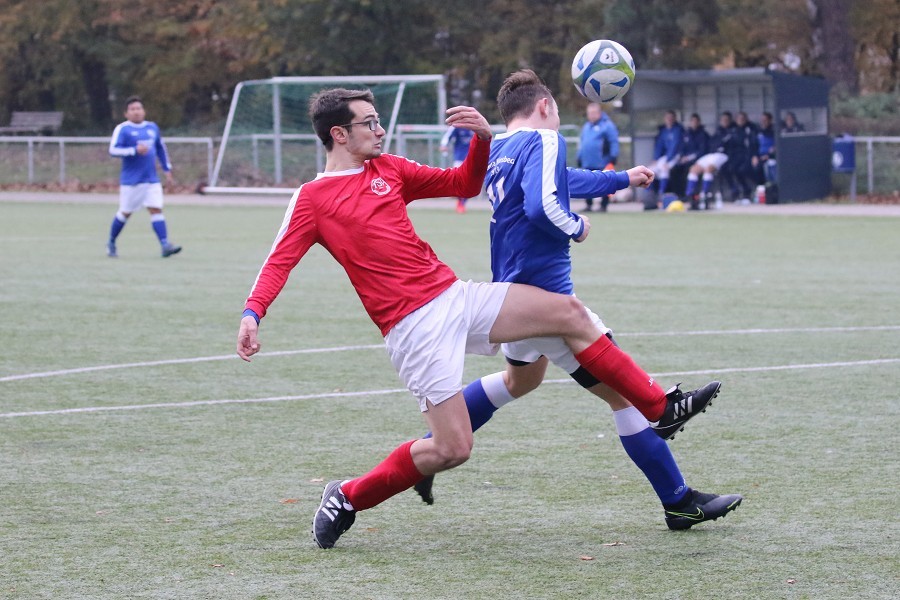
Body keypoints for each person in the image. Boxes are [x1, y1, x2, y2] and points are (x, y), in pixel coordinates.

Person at [237, 87, 715, 549]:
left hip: (455, 296)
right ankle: (347, 496)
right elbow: (279, 259)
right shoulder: (313, 199)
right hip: (413, 329)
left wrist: (482, 138)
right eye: (370, 123)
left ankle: (661, 408)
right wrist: (252, 314)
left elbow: (464, 183)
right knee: (451, 450)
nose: (379, 130)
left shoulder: (389, 169)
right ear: (339, 134)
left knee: (568, 313)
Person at [414, 70, 742, 531]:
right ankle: (678, 496)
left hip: (512, 294)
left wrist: (620, 179)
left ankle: (430, 452)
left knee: (518, 383)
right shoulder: (546, 140)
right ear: (546, 106)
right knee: (625, 398)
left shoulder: (500, 150)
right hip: (548, 300)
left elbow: (563, 180)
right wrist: (577, 227)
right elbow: (544, 206)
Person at [106, 96, 181, 258]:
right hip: (131, 181)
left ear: (144, 111)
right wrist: (133, 150)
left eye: (139, 108)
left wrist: (167, 169)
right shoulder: (123, 129)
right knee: (125, 213)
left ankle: (165, 245)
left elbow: (160, 148)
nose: (136, 112)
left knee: (156, 209)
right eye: (132, 109)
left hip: (151, 179)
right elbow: (113, 150)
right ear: (126, 113)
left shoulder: (152, 128)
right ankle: (111, 241)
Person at [682, 111, 735, 210]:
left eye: (726, 120)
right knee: (693, 169)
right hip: (711, 155)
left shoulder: (732, 132)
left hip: (723, 155)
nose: (724, 122)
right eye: (723, 120)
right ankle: (690, 195)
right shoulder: (718, 131)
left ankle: (704, 196)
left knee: (709, 169)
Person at [576, 102, 619, 212]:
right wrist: (579, 156)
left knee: (605, 183)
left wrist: (613, 156)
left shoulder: (607, 125)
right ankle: (588, 205)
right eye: (589, 113)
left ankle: (604, 205)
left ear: (599, 113)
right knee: (586, 183)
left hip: (602, 161)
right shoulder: (586, 127)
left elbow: (613, 141)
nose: (591, 115)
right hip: (587, 161)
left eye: (594, 113)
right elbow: (582, 143)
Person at [440, 125, 476, 213]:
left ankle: (462, 202)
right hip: (459, 158)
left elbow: (486, 138)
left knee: (471, 183)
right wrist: (444, 145)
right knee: (460, 181)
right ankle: (460, 202)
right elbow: (447, 137)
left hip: (473, 158)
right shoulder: (457, 126)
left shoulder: (475, 126)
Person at [650, 110, 685, 198]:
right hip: (665, 157)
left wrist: (668, 160)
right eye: (667, 118)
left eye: (671, 118)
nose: (669, 119)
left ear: (674, 119)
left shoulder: (678, 130)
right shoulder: (663, 131)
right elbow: (659, 146)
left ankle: (661, 195)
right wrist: (656, 159)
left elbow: (675, 147)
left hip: (675, 156)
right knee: (650, 171)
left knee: (664, 170)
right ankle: (650, 196)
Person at [727, 111, 759, 204]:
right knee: (731, 168)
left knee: (744, 169)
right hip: (737, 156)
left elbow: (753, 144)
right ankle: (736, 192)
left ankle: (749, 191)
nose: (740, 121)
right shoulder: (733, 130)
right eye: (739, 119)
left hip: (748, 156)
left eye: (742, 119)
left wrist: (754, 156)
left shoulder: (750, 129)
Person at [754, 112, 778, 203]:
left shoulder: (774, 131)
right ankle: (760, 194)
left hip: (770, 157)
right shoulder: (758, 131)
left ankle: (772, 194)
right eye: (762, 120)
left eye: (765, 120)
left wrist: (769, 155)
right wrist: (754, 156)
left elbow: (776, 147)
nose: (763, 122)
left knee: (770, 166)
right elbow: (754, 145)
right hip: (760, 157)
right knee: (754, 168)